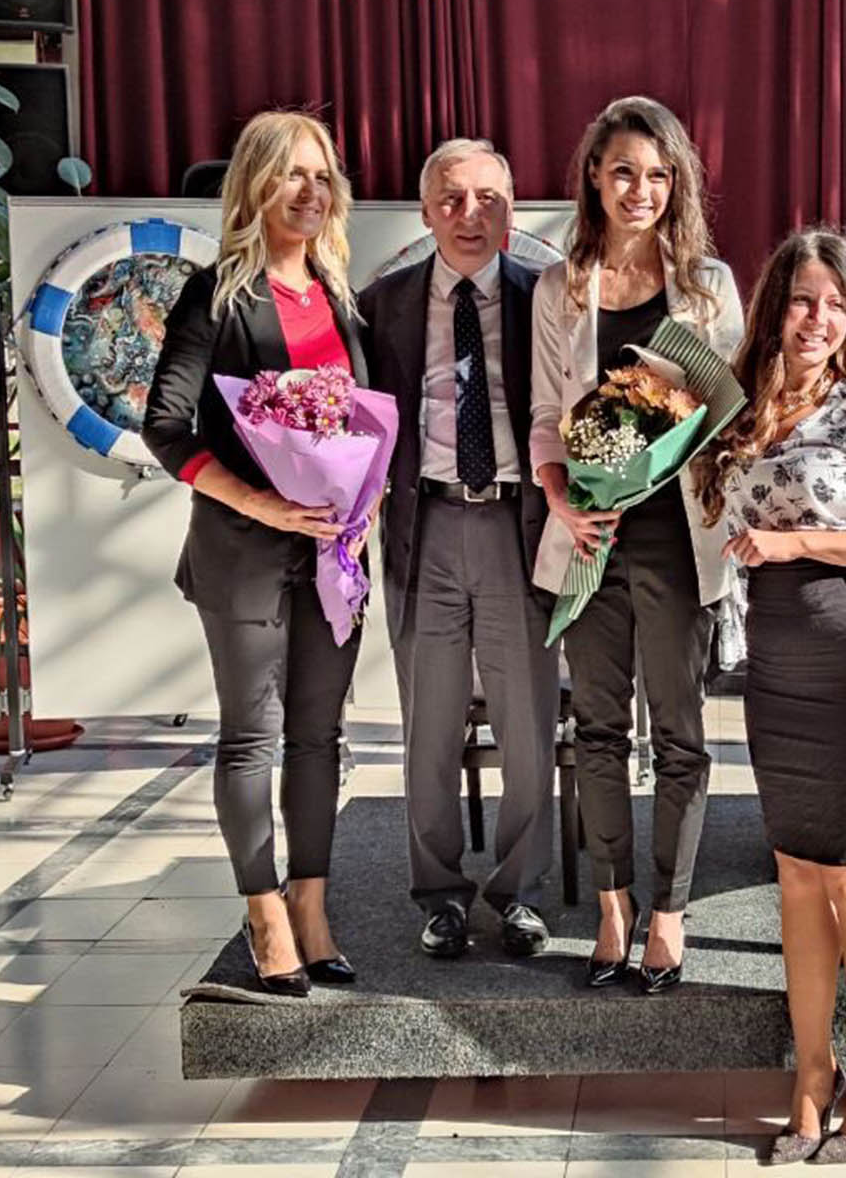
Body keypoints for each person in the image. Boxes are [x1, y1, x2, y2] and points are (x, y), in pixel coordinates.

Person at [694, 228, 846, 1162]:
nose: (819, 319)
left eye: (836, 304)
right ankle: (810, 1074)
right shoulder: (744, 409)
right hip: (776, 663)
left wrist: (797, 542)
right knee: (796, 872)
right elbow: (711, 509)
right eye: (803, 299)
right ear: (774, 308)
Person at [142, 110, 368, 997]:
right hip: (242, 550)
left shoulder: (338, 295)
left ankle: (311, 906)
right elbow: (166, 426)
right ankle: (264, 912)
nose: (310, 191)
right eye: (291, 173)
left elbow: (361, 423)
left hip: (331, 556)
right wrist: (260, 502)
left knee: (320, 737)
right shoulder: (217, 294)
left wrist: (364, 503)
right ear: (255, 185)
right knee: (251, 738)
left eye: (321, 175)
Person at [530, 95, 744, 994]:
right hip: (591, 537)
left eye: (658, 175)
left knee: (682, 736)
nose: (640, 190)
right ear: (594, 176)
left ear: (677, 184)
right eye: (623, 171)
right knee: (599, 729)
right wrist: (563, 502)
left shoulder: (708, 288)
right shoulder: (558, 287)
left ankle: (669, 912)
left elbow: (726, 419)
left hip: (679, 543)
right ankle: (612, 906)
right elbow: (546, 418)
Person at [357, 139, 556, 960]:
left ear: (512, 209)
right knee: (429, 729)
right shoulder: (382, 304)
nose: (470, 215)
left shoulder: (546, 296)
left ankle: (517, 894)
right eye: (452, 199)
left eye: (488, 199)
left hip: (519, 529)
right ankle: (438, 895)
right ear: (425, 211)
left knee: (527, 727)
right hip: (426, 528)